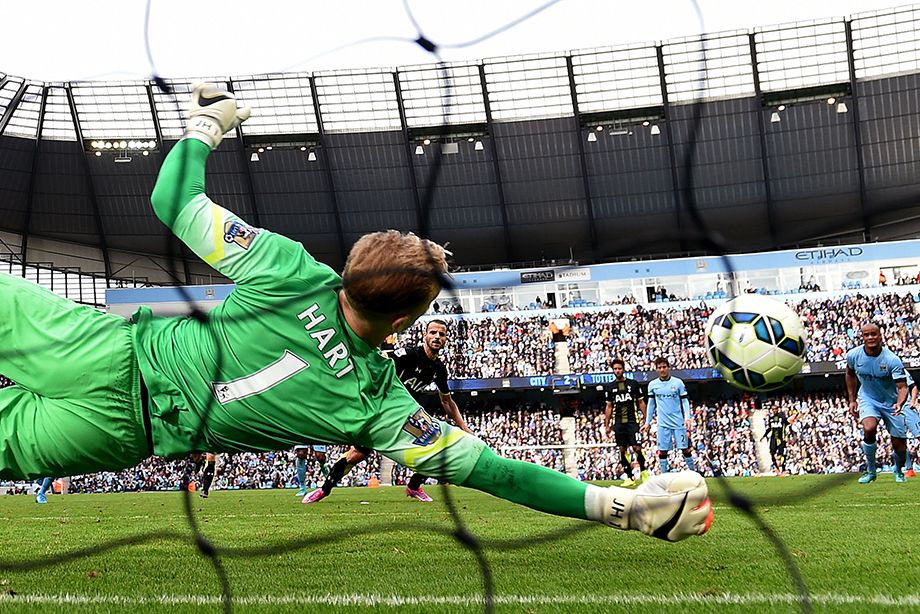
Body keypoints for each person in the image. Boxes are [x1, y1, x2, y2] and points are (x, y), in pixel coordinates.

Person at [0, 84, 711, 543]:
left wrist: (207, 125)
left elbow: (172, 203)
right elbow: (498, 474)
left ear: (351, 266)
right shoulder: (378, 409)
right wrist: (622, 508)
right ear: (403, 324)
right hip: (121, 431)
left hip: (106, 351)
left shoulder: (290, 271)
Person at [305, 319, 473, 503]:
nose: (437, 337)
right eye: (433, 332)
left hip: (408, 416)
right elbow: (379, 363)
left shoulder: (439, 369)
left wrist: (464, 428)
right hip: (385, 411)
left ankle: (414, 487)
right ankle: (324, 489)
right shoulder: (408, 355)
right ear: (425, 335)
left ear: (446, 339)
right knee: (358, 454)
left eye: (441, 334)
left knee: (436, 445)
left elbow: (447, 401)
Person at [845, 323, 909, 483]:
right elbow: (850, 374)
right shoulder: (853, 355)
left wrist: (900, 404)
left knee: (900, 447)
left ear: (880, 336)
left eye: (873, 334)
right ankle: (871, 471)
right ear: (862, 337)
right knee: (869, 428)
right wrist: (852, 399)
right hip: (868, 399)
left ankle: (898, 469)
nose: (870, 338)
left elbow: (902, 387)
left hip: (892, 403)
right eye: (866, 335)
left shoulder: (892, 360)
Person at [644, 357, 696, 474]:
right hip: (663, 424)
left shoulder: (678, 383)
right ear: (656, 369)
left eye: (664, 367)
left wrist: (687, 417)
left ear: (668, 368)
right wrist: (647, 421)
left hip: (678, 422)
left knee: (685, 449)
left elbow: (684, 401)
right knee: (662, 451)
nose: (662, 370)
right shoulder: (653, 385)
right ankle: (664, 476)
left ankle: (694, 473)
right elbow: (651, 404)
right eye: (659, 368)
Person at [603, 358, 648, 486]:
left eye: (619, 368)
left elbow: (641, 402)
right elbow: (609, 407)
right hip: (618, 423)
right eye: (615, 369)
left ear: (623, 369)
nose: (617, 371)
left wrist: (646, 419)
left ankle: (644, 473)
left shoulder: (633, 384)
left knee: (637, 447)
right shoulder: (610, 387)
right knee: (622, 449)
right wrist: (607, 425)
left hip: (633, 421)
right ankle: (629, 477)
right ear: (613, 370)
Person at [761, 409, 789, 474]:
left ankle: (783, 469)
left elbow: (787, 425)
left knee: (782, 454)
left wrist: (787, 435)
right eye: (773, 409)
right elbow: (769, 429)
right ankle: (776, 468)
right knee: (772, 453)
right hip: (773, 438)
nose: (774, 410)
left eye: (775, 409)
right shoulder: (771, 419)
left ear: (777, 409)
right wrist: (763, 436)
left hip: (781, 438)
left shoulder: (782, 418)